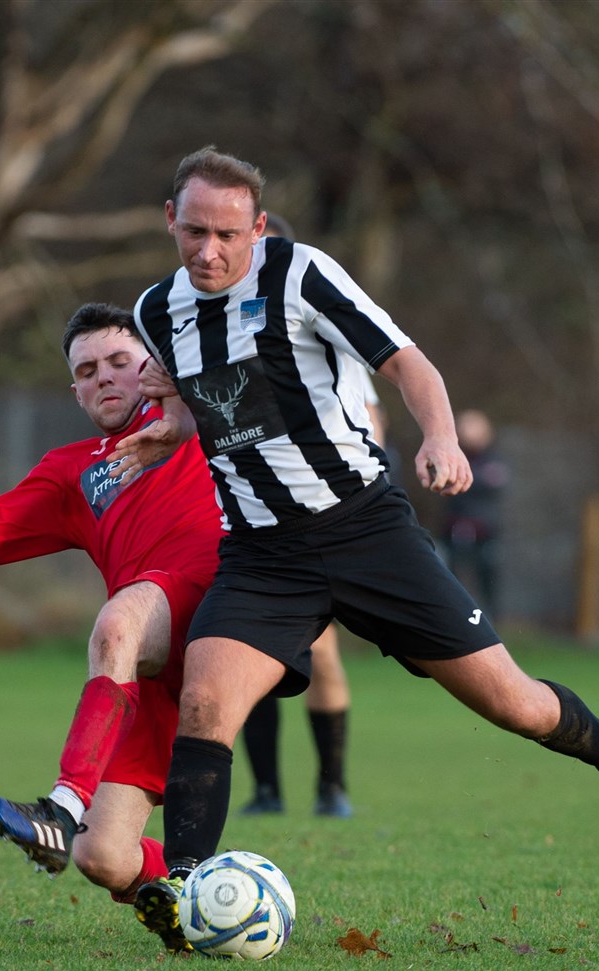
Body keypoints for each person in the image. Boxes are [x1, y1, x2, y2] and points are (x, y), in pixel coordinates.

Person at [109, 147, 599, 953]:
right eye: (192, 232)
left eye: (225, 233)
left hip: (365, 531)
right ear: (168, 223)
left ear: (255, 227)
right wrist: (165, 434)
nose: (207, 251)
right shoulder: (155, 311)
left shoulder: (300, 274)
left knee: (513, 704)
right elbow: (211, 407)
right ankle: (186, 890)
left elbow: (405, 361)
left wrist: (441, 439)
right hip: (260, 553)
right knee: (206, 705)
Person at [0, 303, 223, 910]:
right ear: (75, 391)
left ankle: (62, 806)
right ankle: (223, 893)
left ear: (152, 367)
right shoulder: (71, 471)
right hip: (151, 662)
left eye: (120, 362)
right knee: (105, 857)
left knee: (117, 620)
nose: (105, 377)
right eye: (87, 371)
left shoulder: (191, 418)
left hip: (215, 610)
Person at [236, 212, 372, 820]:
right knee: (246, 654)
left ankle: (332, 786)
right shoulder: (214, 328)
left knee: (321, 655)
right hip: (249, 518)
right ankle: (266, 790)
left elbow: (369, 423)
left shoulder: (319, 322)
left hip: (322, 515)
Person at [439, 408, 507, 615]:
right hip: (455, 528)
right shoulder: (450, 456)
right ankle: (457, 616)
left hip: (486, 531)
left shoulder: (495, 458)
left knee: (488, 577)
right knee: (454, 577)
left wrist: (466, 478)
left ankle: (492, 620)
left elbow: (496, 483)